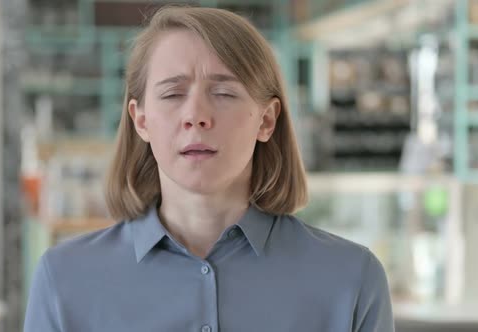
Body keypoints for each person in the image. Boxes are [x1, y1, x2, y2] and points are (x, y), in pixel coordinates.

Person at [24, 6, 394, 332]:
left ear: (266, 120)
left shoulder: (353, 279)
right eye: (172, 94)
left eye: (224, 93)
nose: (196, 116)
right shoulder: (65, 278)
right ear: (141, 121)